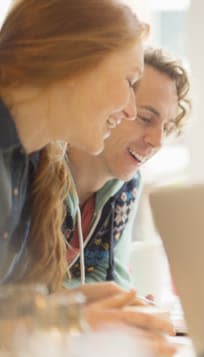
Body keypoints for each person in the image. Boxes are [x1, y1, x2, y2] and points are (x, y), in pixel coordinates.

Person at [0, 0, 174, 355]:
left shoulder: (26, 163)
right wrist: (68, 323)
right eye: (129, 81)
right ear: (75, 63)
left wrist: (68, 304)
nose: (128, 107)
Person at [63, 48, 190, 290]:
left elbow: (111, 279)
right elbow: (20, 287)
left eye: (167, 126)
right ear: (110, 106)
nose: (158, 141)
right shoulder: (37, 171)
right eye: (145, 118)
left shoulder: (127, 186)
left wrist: (129, 305)